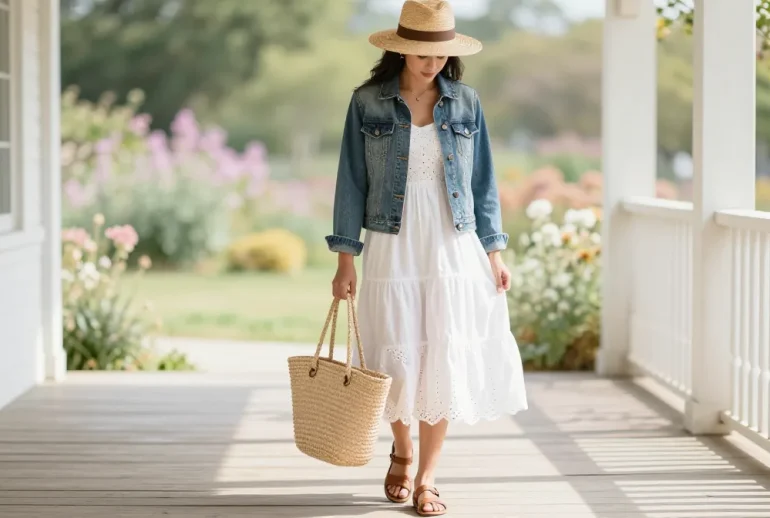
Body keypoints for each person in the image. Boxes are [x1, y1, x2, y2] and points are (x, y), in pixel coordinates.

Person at [325, 1, 528, 515]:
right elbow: (350, 182)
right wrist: (345, 259)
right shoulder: (367, 102)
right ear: (401, 48)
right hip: (392, 242)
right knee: (395, 351)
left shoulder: (465, 103)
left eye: (440, 54)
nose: (431, 62)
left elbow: (483, 183)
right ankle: (403, 448)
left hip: (450, 241)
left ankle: (428, 479)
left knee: (443, 351)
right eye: (421, 52)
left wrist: (495, 252)